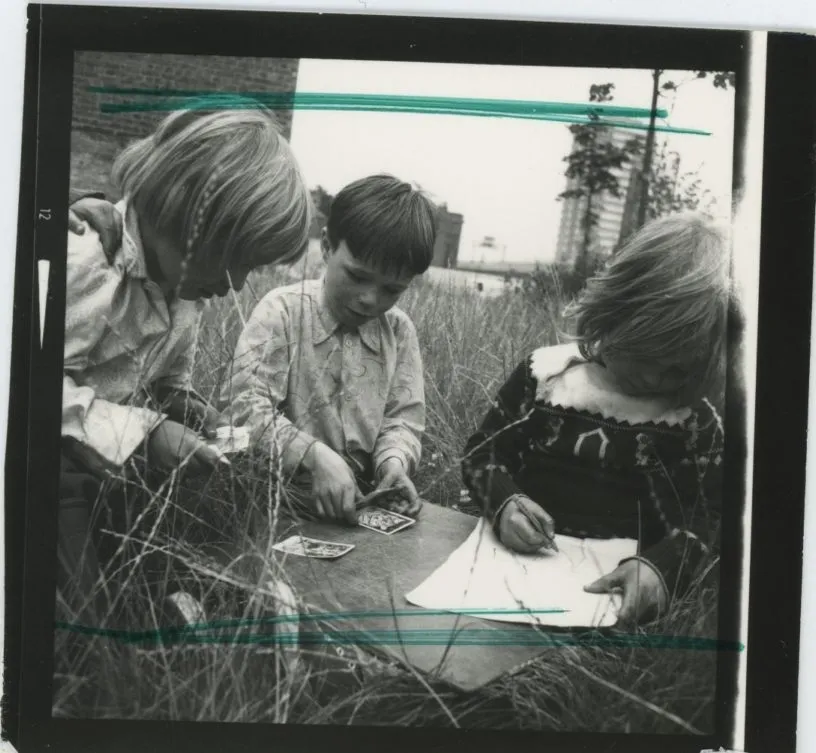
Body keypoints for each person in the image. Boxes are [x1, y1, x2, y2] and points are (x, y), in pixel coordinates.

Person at [60, 100, 312, 629]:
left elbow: (165, 384)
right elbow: (27, 388)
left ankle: (162, 599)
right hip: (47, 462)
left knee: (173, 503)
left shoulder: (184, 291)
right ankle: (93, 636)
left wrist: (198, 415)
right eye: (232, 260)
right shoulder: (86, 263)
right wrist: (148, 435)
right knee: (70, 525)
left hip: (108, 463)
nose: (234, 286)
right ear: (180, 212)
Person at [462, 212, 731, 626]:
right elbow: (483, 453)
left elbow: (709, 516)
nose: (655, 379)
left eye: (678, 370)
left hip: (619, 596)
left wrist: (662, 567)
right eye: (643, 357)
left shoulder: (692, 419)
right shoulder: (547, 378)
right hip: (515, 572)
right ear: (614, 314)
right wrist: (504, 503)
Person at [220, 174, 436, 525]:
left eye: (392, 290)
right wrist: (313, 455)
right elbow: (243, 411)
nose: (370, 300)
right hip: (274, 506)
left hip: (361, 509)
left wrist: (392, 463)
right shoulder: (282, 312)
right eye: (356, 276)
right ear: (326, 247)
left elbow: (403, 419)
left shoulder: (398, 331)